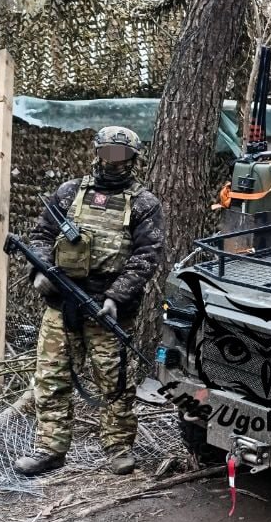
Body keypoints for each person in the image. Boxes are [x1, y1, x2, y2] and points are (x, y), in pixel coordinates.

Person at [14, 127, 165, 478]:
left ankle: (118, 448)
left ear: (133, 158)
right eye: (108, 153)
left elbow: (147, 255)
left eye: (121, 154)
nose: (114, 161)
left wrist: (115, 297)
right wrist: (42, 271)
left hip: (106, 308)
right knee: (51, 379)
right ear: (97, 153)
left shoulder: (144, 203)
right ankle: (49, 449)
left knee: (115, 383)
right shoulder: (69, 192)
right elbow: (41, 235)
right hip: (60, 305)